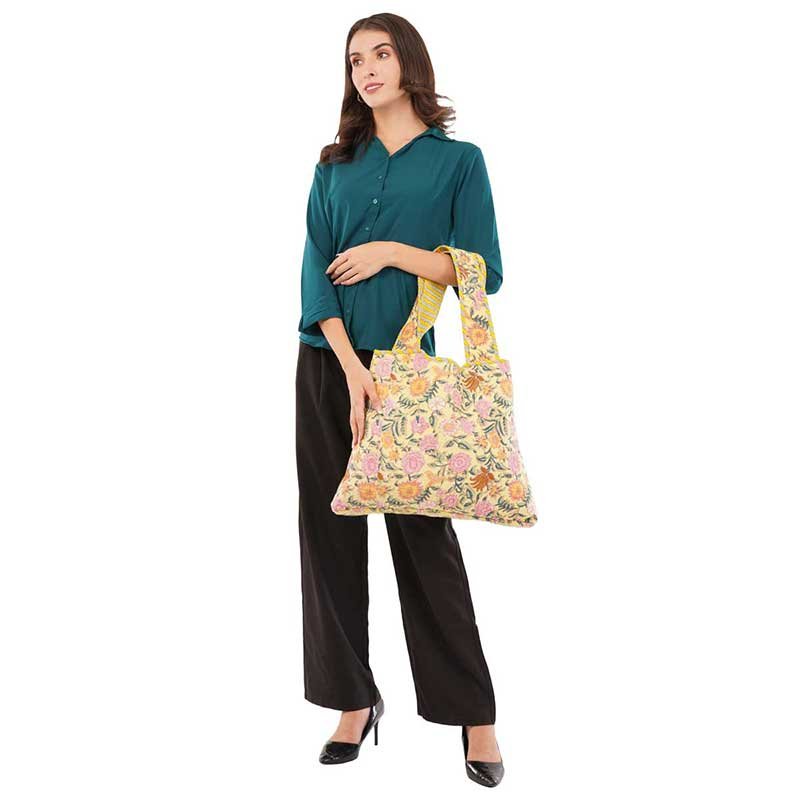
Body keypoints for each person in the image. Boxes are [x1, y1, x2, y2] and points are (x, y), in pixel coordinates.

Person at [295, 13, 506, 787]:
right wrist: (351, 370)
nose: (367, 69)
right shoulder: (334, 167)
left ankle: (474, 716)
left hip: (409, 377)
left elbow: (484, 270)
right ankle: (352, 702)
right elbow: (315, 273)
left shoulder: (458, 163)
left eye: (380, 54)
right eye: (355, 59)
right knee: (328, 538)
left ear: (409, 62)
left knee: (425, 544)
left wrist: (393, 252)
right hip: (329, 367)